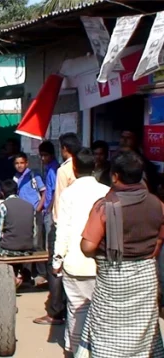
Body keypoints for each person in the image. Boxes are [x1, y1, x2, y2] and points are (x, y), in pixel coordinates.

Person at [77, 150, 164, 358]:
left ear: (115, 176)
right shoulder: (157, 204)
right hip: (146, 279)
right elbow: (158, 242)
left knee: (108, 331)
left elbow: (87, 247)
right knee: (143, 329)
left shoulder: (105, 206)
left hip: (114, 280)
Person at [53, 148, 109, 355]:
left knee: (76, 311)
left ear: (74, 169)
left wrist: (57, 260)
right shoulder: (106, 192)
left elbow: (63, 230)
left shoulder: (68, 194)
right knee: (100, 312)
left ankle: (74, 349)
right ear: (94, 167)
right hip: (101, 264)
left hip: (74, 263)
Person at [34, 133, 81, 326]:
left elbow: (59, 198)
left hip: (62, 223)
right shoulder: (85, 167)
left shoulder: (63, 170)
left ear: (64, 149)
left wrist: (55, 222)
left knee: (56, 266)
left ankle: (55, 311)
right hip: (81, 224)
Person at [0, 179, 35, 285]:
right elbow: (34, 231)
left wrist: (2, 241)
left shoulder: (3, 206)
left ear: (3, 193)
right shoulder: (30, 206)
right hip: (27, 249)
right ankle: (18, 274)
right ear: (17, 191)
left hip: (9, 248)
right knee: (14, 246)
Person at [37, 140, 59, 286]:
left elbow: (56, 191)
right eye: (41, 155)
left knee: (49, 244)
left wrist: (50, 208)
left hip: (51, 210)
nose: (43, 158)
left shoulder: (55, 169)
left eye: (45, 155)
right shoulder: (47, 168)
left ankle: (49, 275)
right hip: (46, 209)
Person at [119, 129, 160, 194]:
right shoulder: (115, 163)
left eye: (128, 138)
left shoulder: (147, 167)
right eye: (122, 137)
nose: (124, 141)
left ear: (137, 142)